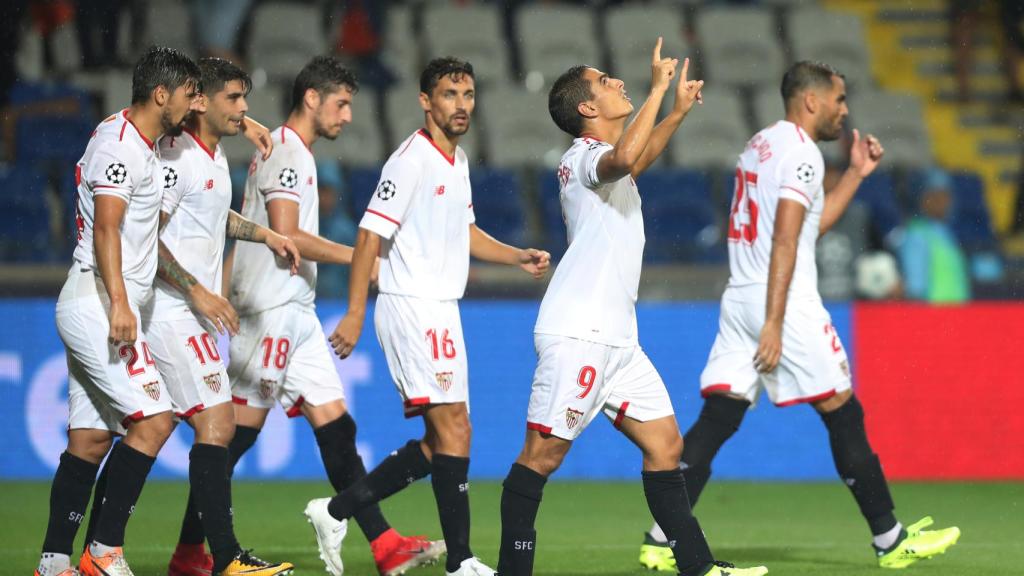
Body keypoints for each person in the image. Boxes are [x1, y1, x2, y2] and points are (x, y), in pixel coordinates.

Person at [638, 61, 961, 572]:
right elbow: (787, 239)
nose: (845, 110)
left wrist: (855, 173)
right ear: (811, 101)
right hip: (781, 302)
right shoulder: (804, 154)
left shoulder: (761, 145)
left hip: (740, 293)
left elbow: (805, 228)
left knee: (720, 415)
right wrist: (774, 320)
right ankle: (890, 540)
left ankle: (662, 536)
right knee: (842, 409)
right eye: (839, 99)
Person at [493, 40, 765, 576]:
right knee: (540, 459)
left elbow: (633, 158)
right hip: (580, 334)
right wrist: (659, 90)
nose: (619, 83)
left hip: (618, 339)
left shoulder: (607, 166)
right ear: (587, 109)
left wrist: (677, 113)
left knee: (666, 446)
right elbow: (622, 158)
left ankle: (697, 567)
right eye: (606, 82)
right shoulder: (584, 158)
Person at [305, 56, 551, 576]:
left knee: (444, 438)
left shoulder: (456, 162)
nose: (460, 105)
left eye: (467, 94)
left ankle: (335, 510)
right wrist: (353, 312)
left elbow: (465, 231)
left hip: (441, 307)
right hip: (411, 305)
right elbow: (370, 235)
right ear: (425, 101)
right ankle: (461, 561)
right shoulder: (410, 160)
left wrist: (516, 254)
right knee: (456, 429)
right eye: (448, 94)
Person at [226, 55, 445, 576]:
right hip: (269, 307)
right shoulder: (286, 151)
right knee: (232, 438)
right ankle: (194, 552)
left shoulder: (290, 150)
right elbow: (289, 236)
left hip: (295, 309)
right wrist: (360, 256)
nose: (347, 117)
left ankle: (385, 544)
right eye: (341, 104)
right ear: (311, 98)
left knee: (337, 427)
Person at [36, 47, 200, 576]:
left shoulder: (129, 132)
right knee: (155, 420)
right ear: (160, 94)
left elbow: (211, 113)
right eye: (187, 94)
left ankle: (54, 561)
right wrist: (122, 305)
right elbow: (107, 226)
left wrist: (252, 124)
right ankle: (104, 552)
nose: (193, 105)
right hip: (102, 300)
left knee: (89, 440)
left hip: (96, 297)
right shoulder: (121, 149)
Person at [146, 57, 300, 576]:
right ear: (200, 101)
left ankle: (130, 552)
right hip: (169, 309)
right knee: (219, 421)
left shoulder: (211, 159)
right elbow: (148, 239)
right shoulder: (177, 158)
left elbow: (214, 215)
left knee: (133, 433)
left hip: (189, 312)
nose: (245, 108)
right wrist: (198, 293)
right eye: (234, 98)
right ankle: (226, 558)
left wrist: (267, 234)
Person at [899, 168, 970, 304]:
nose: (942, 202)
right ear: (923, 199)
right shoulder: (916, 234)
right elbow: (915, 288)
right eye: (935, 196)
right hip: (933, 317)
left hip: (958, 315)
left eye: (945, 196)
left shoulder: (947, 233)